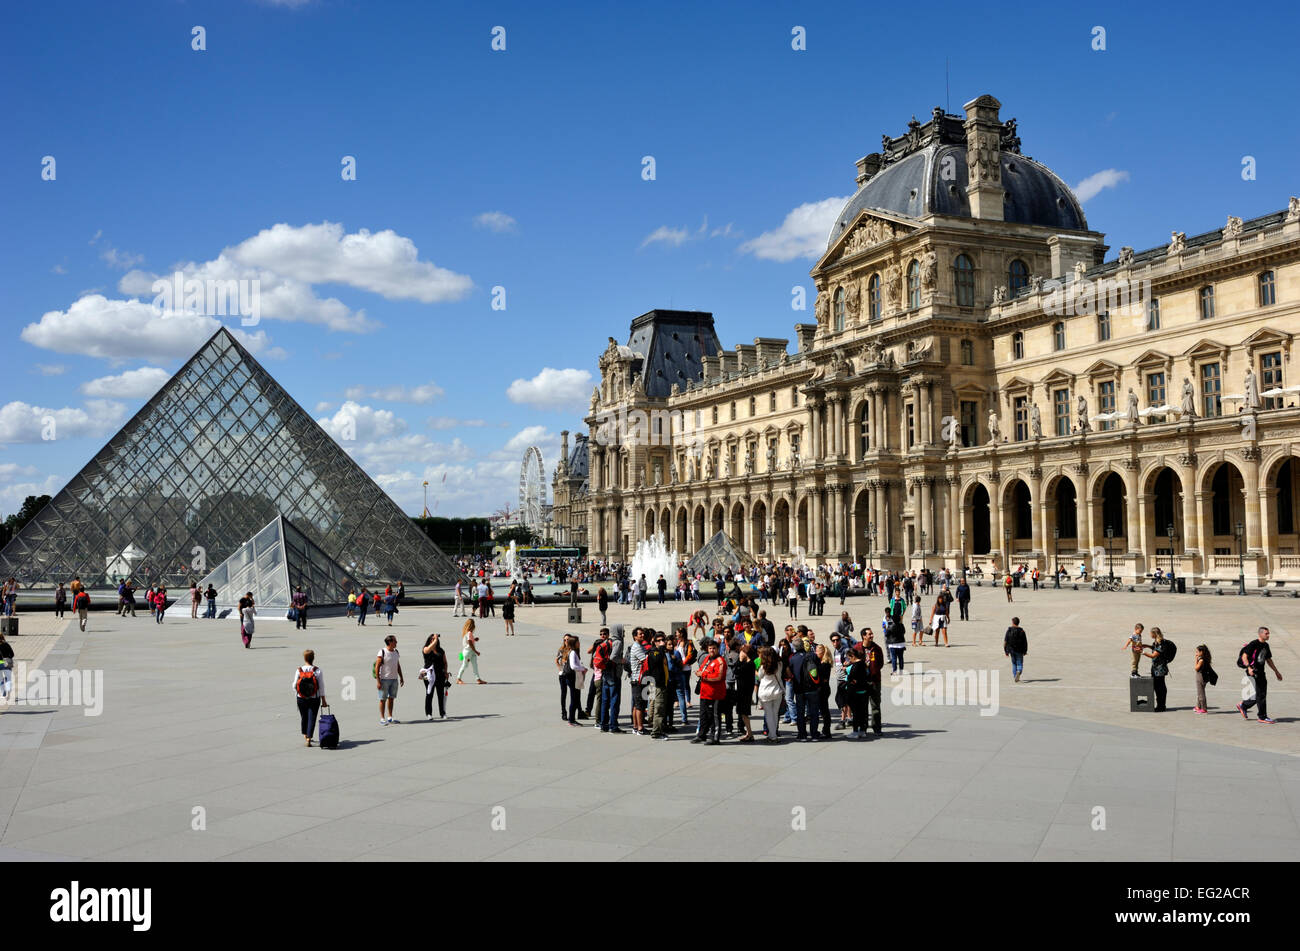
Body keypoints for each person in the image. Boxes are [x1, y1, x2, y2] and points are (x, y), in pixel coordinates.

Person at [1237, 627, 1281, 724]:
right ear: (1260, 634)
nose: (1268, 635)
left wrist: (1276, 671)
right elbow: (1244, 657)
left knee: (1260, 694)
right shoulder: (1254, 644)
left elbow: (1268, 660)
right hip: (1253, 671)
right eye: (1266, 633)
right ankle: (1262, 716)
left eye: (1268, 633)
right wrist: (1249, 668)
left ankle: (1244, 705)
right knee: (1261, 694)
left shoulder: (1266, 645)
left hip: (1261, 672)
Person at [693, 639, 727, 745]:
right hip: (705, 692)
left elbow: (719, 677)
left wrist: (702, 675)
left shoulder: (720, 661)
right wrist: (699, 672)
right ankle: (701, 735)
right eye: (710, 648)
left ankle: (715, 737)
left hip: (715, 694)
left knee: (715, 717)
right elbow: (702, 669)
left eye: (714, 648)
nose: (711, 650)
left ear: (717, 649)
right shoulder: (707, 658)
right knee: (703, 715)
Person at [788, 636, 820, 741]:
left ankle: (802, 735)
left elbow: (790, 674)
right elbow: (818, 670)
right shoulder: (812, 656)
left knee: (800, 713)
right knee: (814, 712)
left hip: (799, 689)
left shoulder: (792, 659)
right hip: (812, 688)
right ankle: (814, 734)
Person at [293, 649, 326, 746]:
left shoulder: (299, 670)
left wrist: (298, 693)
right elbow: (321, 686)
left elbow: (294, 685)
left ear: (304, 658)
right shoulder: (317, 670)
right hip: (314, 698)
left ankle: (305, 733)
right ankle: (309, 737)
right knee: (312, 717)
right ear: (313, 658)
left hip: (301, 698)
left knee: (304, 717)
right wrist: (323, 700)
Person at [645, 632, 672, 739]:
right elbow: (656, 661)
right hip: (657, 684)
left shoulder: (660, 652)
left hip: (661, 683)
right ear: (654, 642)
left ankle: (657, 727)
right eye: (658, 640)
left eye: (663, 640)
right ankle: (656, 732)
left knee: (657, 706)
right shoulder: (654, 652)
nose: (661, 642)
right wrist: (661, 648)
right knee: (659, 708)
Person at [601, 624, 626, 733]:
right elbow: (613, 657)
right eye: (623, 631)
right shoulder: (618, 642)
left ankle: (603, 724)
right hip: (614, 674)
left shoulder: (607, 641)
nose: (624, 633)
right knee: (615, 700)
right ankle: (613, 725)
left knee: (605, 700)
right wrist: (622, 661)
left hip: (605, 673)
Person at [374, 634, 404, 725]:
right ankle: (382, 718)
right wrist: (378, 681)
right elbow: (377, 667)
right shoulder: (382, 652)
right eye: (395, 641)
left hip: (394, 679)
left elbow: (397, 665)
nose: (396, 642)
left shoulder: (396, 652)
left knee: (391, 698)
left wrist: (401, 677)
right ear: (390, 642)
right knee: (382, 699)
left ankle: (390, 717)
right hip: (384, 680)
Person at [756, 647, 784, 743]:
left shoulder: (763, 666)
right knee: (775, 713)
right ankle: (773, 734)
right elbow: (780, 677)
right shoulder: (780, 664)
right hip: (777, 691)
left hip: (765, 692)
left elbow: (759, 677)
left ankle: (772, 736)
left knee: (769, 714)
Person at [1143, 627, 1172, 712]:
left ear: (1154, 634)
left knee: (1160, 687)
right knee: (1157, 686)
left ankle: (1161, 706)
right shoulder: (1156, 642)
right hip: (1155, 668)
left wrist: (1143, 653)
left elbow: (1154, 655)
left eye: (1151, 633)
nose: (1150, 634)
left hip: (1160, 669)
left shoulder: (1161, 643)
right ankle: (1160, 705)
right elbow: (1154, 648)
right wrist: (1147, 646)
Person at [421, 633, 449, 719]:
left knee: (441, 694)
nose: (434, 641)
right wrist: (435, 639)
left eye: (435, 639)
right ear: (429, 641)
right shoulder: (425, 649)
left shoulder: (441, 650)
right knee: (429, 693)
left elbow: (445, 662)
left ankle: (442, 713)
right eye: (432, 639)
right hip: (428, 675)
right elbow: (428, 649)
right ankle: (429, 713)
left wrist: (446, 672)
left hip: (440, 674)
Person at [734, 641, 756, 742]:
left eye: (742, 651)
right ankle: (749, 733)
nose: (740, 653)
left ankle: (750, 733)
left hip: (745, 692)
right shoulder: (746, 663)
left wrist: (739, 660)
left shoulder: (749, 664)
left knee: (744, 713)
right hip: (742, 690)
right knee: (743, 714)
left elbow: (737, 671)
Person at [456, 618, 485, 684]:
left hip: (470, 652)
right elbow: (469, 643)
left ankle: (478, 679)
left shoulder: (467, 633)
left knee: (475, 665)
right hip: (469, 652)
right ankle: (458, 678)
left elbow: (469, 641)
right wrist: (476, 651)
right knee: (464, 665)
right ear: (472, 626)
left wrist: (474, 639)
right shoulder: (469, 633)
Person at [1004, 617, 1028, 683]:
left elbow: (1005, 642)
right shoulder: (1022, 631)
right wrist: (1025, 651)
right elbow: (1025, 642)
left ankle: (1015, 676)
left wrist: (1006, 651)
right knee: (1020, 663)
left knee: (1014, 663)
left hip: (1011, 650)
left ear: (1012, 622)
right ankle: (1019, 672)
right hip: (1020, 650)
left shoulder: (1009, 630)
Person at [1193, 645, 1216, 714]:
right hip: (1204, 677)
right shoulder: (1205, 658)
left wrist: (1196, 660)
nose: (1196, 653)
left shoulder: (1201, 660)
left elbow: (1196, 668)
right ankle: (1198, 706)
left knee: (1201, 693)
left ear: (1201, 652)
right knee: (1200, 692)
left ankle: (1204, 708)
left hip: (1201, 677)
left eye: (1197, 652)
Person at [0, 632, 13, 700]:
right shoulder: (6, 644)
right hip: (7, 663)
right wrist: (8, 657)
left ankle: (3, 693)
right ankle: (8, 693)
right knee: (8, 679)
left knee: (0, 679)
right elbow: (12, 654)